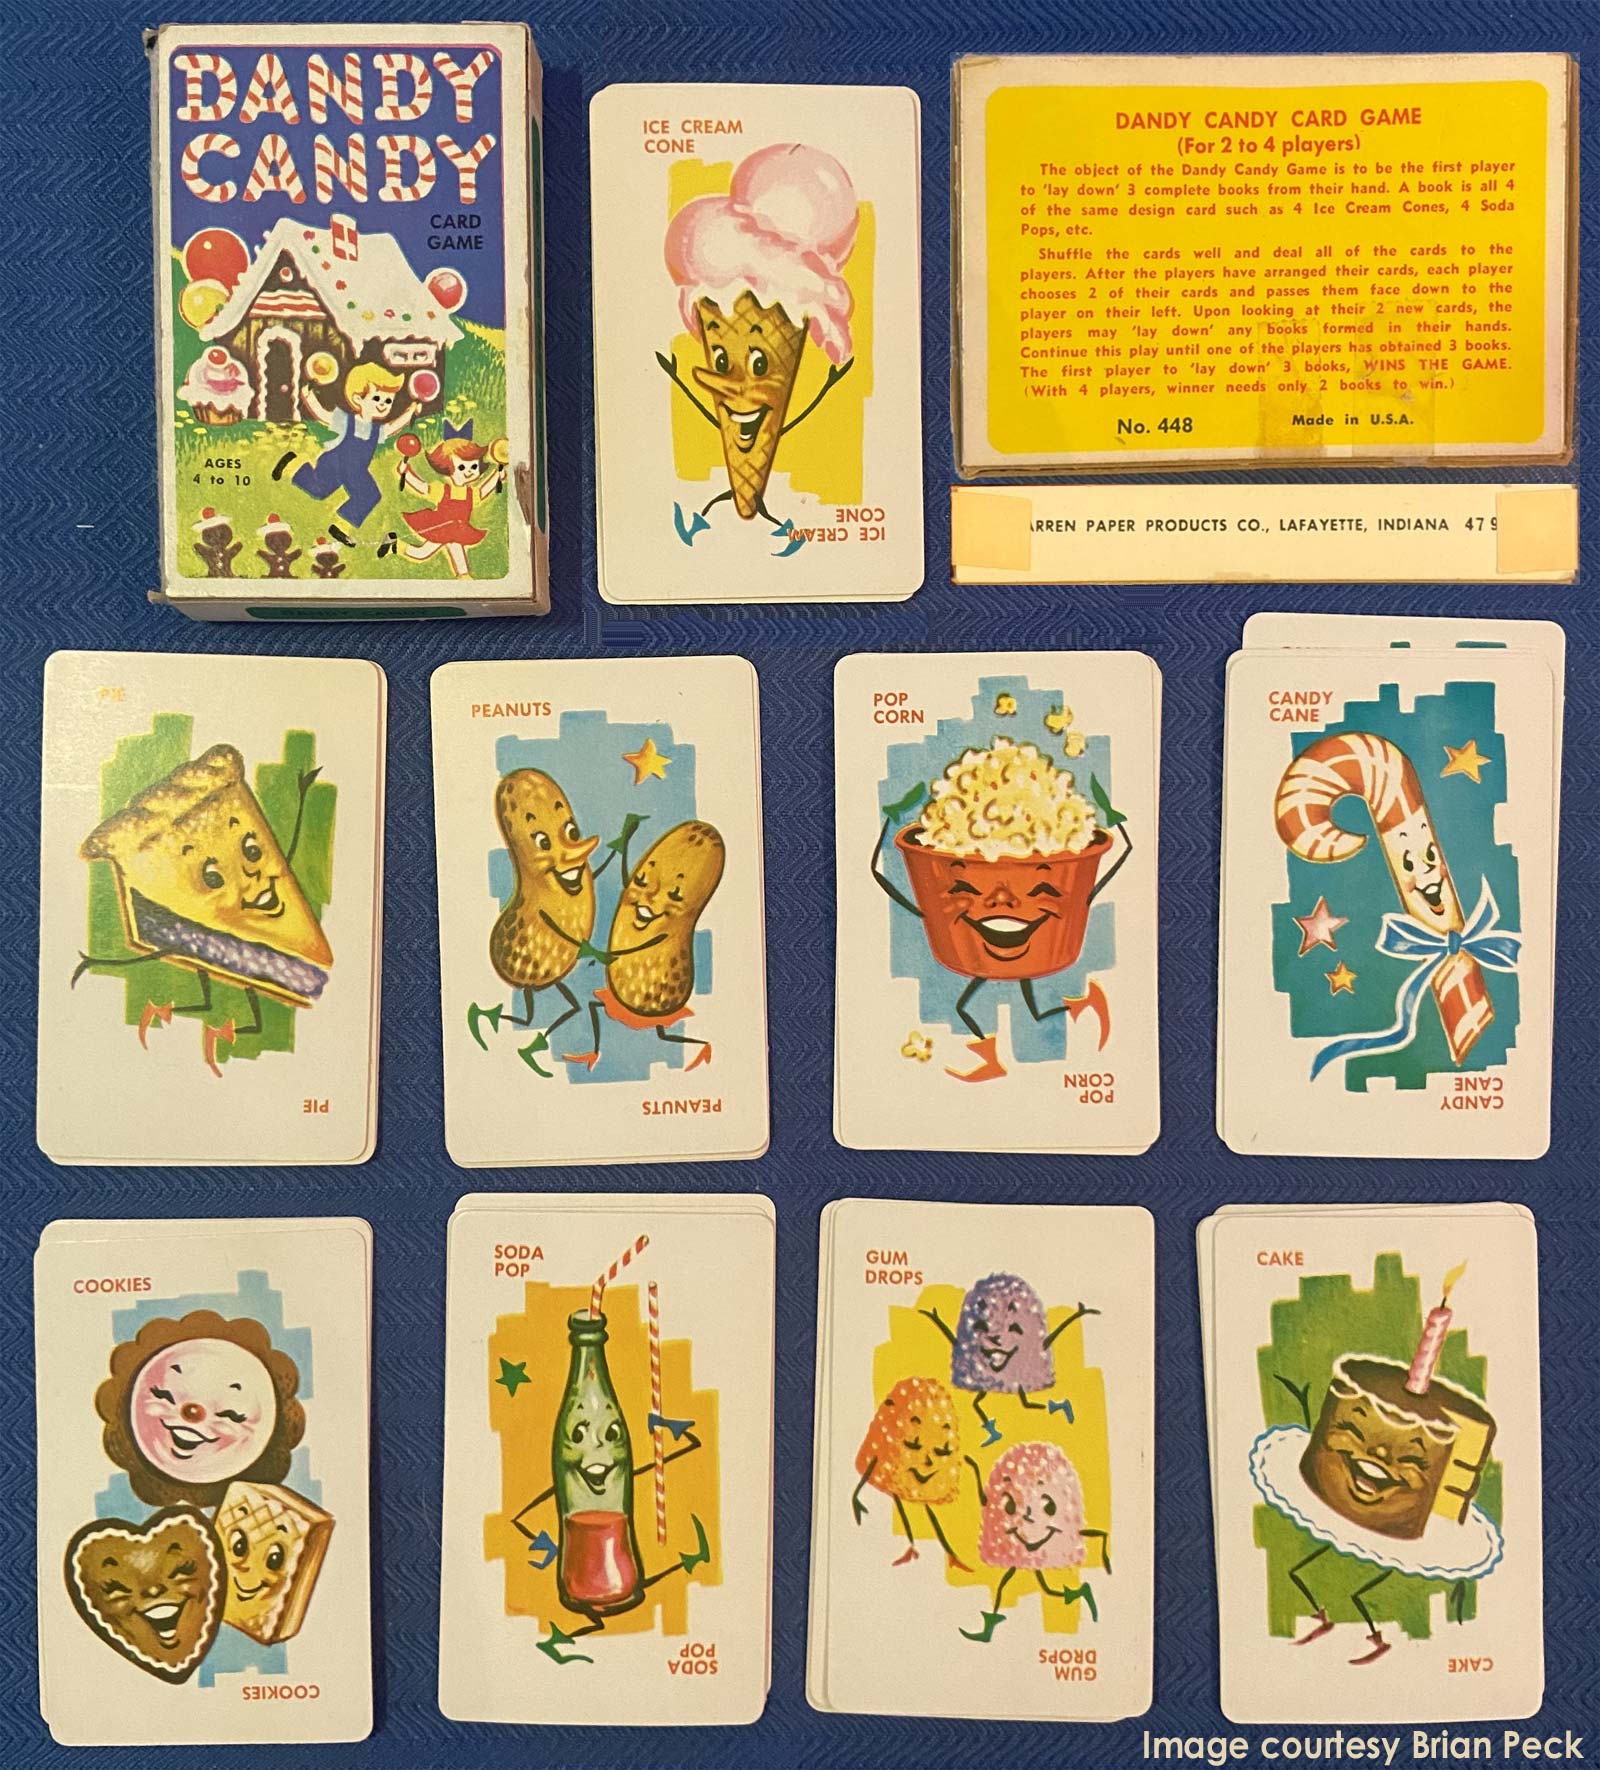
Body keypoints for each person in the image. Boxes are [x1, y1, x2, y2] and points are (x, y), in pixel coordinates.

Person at [272, 362, 408, 545]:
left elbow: (392, 428)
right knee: (318, 491)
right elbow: (322, 415)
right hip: (334, 464)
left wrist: (410, 413)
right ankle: (292, 463)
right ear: (358, 398)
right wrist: (308, 396)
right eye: (377, 398)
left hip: (357, 471)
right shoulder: (346, 421)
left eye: (388, 401)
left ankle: (341, 527)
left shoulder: (377, 430)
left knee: (370, 495)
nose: (382, 405)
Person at [379, 428, 503, 578]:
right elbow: (423, 488)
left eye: (474, 466)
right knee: (421, 553)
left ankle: (465, 578)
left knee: (454, 553)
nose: (469, 471)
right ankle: (394, 545)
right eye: (461, 467)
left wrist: (497, 475)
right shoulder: (442, 491)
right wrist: (406, 473)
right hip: (442, 529)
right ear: (447, 468)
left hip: (457, 531)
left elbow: (484, 490)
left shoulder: (471, 493)